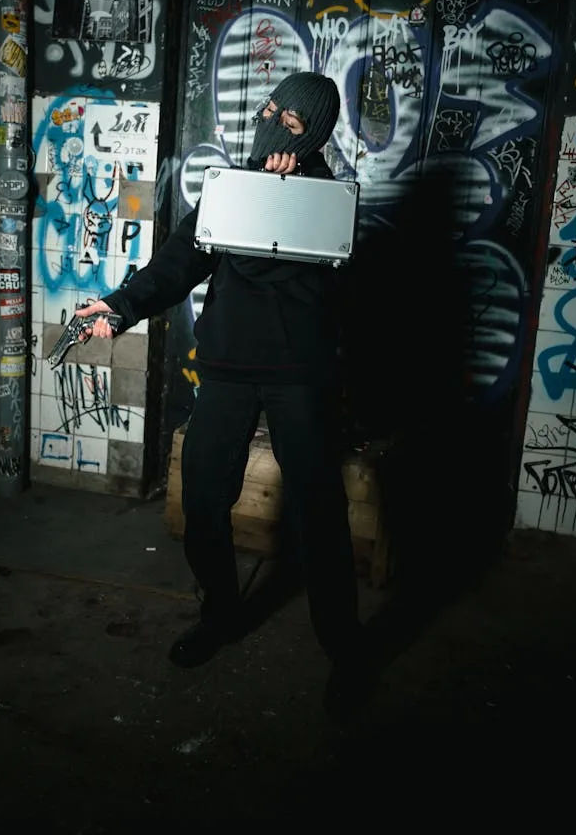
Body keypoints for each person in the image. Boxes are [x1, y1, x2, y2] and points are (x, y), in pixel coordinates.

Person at [75, 71, 369, 717]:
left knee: (318, 516)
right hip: (228, 372)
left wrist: (291, 195)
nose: (271, 124)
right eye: (268, 111)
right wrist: (119, 308)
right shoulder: (228, 191)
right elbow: (177, 263)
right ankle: (220, 613)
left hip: (299, 378)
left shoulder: (332, 201)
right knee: (204, 501)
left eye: (289, 122)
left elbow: (350, 303)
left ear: (314, 134)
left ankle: (344, 651)